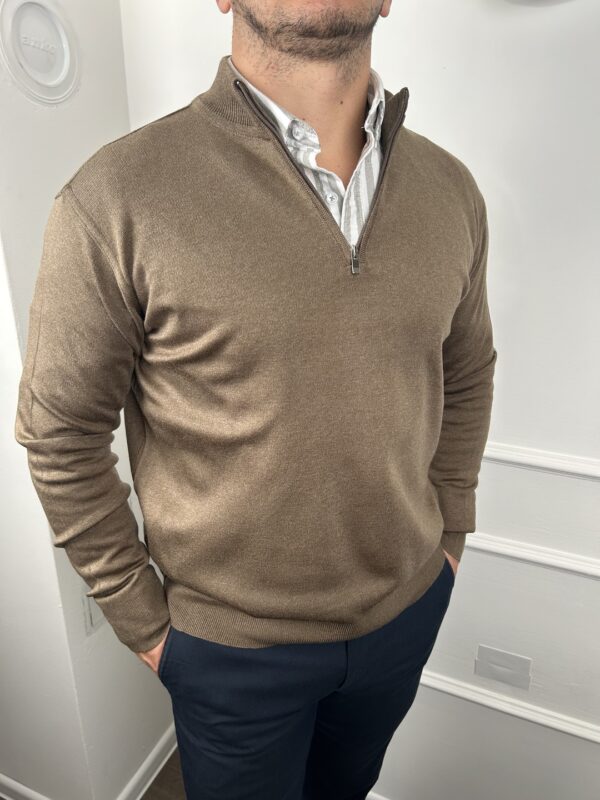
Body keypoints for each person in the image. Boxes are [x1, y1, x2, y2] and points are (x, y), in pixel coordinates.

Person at [14, 1, 497, 798]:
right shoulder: (115, 197)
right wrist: (145, 622)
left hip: (406, 615)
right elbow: (59, 433)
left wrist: (450, 534)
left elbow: (468, 367)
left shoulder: (452, 191)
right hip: (227, 653)